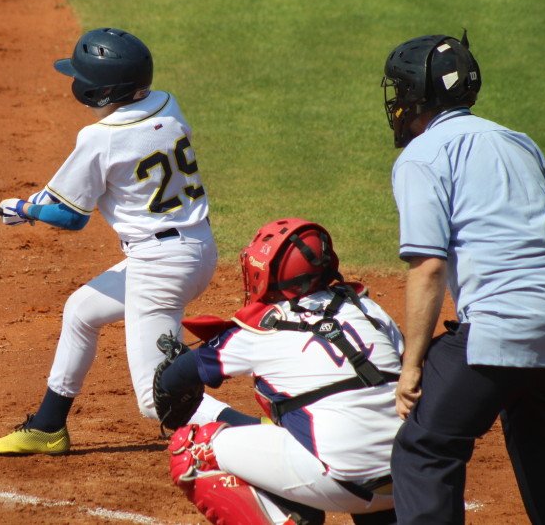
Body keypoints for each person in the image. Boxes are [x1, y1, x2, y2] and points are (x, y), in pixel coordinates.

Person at [0, 27, 224, 455]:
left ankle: (264, 428)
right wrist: (39, 202)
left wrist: (26, 210)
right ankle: (48, 427)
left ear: (99, 90)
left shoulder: (100, 137)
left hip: (159, 267)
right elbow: (94, 181)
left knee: (157, 401)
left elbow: (70, 217)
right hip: (197, 248)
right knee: (82, 311)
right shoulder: (167, 103)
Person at [381, 32, 545, 524]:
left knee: (424, 449)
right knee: (540, 437)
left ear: (418, 93)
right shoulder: (519, 142)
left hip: (499, 325)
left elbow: (429, 266)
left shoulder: (423, 156)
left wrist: (412, 366)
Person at [156, 219, 402, 524]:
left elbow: (172, 379)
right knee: (349, 414)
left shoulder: (260, 329)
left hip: (346, 481)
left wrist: (176, 388)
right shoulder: (367, 309)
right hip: (411, 473)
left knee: (193, 450)